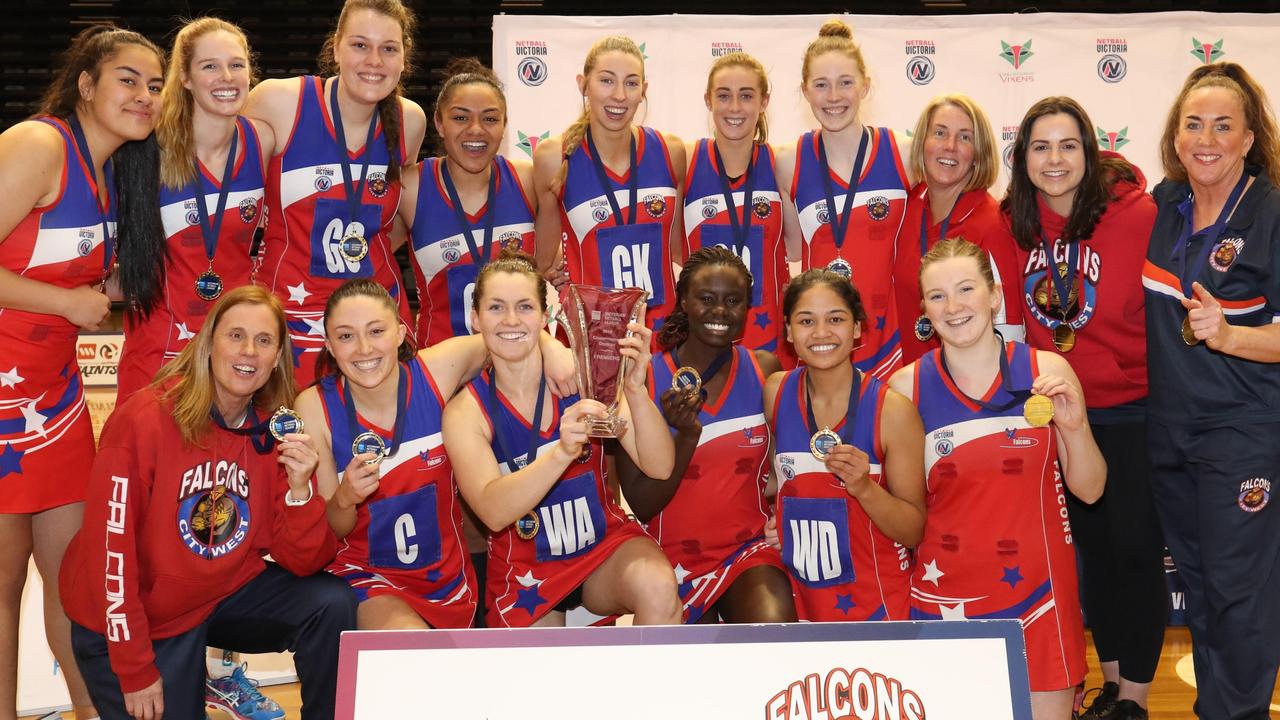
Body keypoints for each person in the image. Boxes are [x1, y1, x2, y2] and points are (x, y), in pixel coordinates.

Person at [59, 286, 353, 720]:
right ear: (208, 343)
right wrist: (136, 669)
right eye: (236, 335)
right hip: (129, 621)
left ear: (276, 361)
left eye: (264, 341)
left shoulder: (272, 432)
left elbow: (304, 561)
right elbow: (111, 559)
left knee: (332, 604)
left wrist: (298, 491)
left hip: (212, 595)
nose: (249, 351)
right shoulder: (144, 421)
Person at [0, 24, 166, 719]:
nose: (145, 96)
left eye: (156, 86)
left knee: (76, 583)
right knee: (3, 587)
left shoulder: (115, 174)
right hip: (5, 400)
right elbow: (64, 292)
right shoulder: (38, 145)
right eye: (129, 79)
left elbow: (99, 280)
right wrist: (67, 301)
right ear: (86, 84)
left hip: (57, 397)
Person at [888, 238, 1105, 720]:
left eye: (966, 288)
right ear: (923, 307)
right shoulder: (904, 390)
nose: (954, 306)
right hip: (944, 599)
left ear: (994, 295)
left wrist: (1075, 427)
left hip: (1039, 598)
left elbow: (1090, 489)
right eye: (937, 295)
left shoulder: (1047, 371)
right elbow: (894, 511)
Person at [998, 96, 1164, 720]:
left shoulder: (1136, 215)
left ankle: (1138, 699)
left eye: (1068, 145)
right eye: (1041, 147)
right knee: (1090, 555)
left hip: (1132, 408)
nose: (1055, 159)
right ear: (1024, 158)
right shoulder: (1015, 221)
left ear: (1089, 153)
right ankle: (1112, 685)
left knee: (1137, 551)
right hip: (1061, 413)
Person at [296, 278, 575, 629]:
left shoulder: (436, 369)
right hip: (371, 579)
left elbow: (505, 334)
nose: (364, 349)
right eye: (346, 336)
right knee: (406, 644)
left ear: (400, 333)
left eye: (376, 331)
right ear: (329, 346)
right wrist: (345, 498)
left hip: (450, 585)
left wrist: (551, 347)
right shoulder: (314, 408)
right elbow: (329, 531)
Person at [1143, 62, 1280, 720]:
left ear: (1248, 139)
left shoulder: (1271, 210)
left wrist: (1231, 336)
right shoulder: (1165, 209)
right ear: (1175, 137)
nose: (1207, 138)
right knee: (1201, 590)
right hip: (1171, 434)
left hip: (1241, 436)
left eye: (1223, 126)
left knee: (1239, 593)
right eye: (1194, 124)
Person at [443, 251, 681, 627]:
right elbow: (492, 510)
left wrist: (635, 390)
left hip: (600, 549)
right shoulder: (465, 412)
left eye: (524, 307)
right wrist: (561, 452)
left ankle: (646, 687)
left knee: (658, 585)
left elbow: (660, 465)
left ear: (543, 317)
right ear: (475, 319)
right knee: (544, 679)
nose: (510, 320)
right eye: (495, 308)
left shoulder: (584, 371)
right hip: (526, 571)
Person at [244, 0, 425, 387]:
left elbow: (391, 226)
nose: (374, 60)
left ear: (403, 58)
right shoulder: (280, 101)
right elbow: (234, 200)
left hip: (376, 319)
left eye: (389, 48)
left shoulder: (410, 120)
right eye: (360, 45)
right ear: (336, 47)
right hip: (289, 316)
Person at [617, 247, 796, 624]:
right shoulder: (643, 378)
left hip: (746, 552)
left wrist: (784, 512)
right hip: (668, 562)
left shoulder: (764, 369)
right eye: (706, 299)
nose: (720, 311)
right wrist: (685, 436)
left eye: (733, 301)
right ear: (683, 301)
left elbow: (786, 465)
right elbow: (642, 503)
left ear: (748, 308)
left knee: (773, 631)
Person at [116, 18, 274, 405]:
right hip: (159, 349)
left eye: (237, 65)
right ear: (184, 77)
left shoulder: (263, 141)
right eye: (210, 66)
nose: (227, 77)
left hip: (235, 354)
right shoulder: (145, 150)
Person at [763, 269, 925, 621]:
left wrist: (864, 488)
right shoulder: (776, 392)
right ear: (789, 331)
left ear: (856, 328)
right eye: (806, 320)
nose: (821, 333)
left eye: (835, 319)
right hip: (800, 602)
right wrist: (774, 517)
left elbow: (914, 530)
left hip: (875, 605)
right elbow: (776, 481)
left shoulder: (892, 411)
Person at [774, 20, 913, 379]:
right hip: (822, 344)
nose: (833, 97)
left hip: (893, 344)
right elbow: (793, 248)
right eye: (821, 85)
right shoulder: (789, 161)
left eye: (845, 83)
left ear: (865, 86)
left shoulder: (904, 153)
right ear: (805, 91)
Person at [532, 35, 686, 339]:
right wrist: (558, 271)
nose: (618, 95)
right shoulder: (555, 157)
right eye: (606, 80)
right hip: (588, 342)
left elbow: (678, 251)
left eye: (631, 83)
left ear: (644, 91)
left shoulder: (671, 151)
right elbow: (543, 264)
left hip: (660, 335)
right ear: (583, 84)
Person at [402, 57, 535, 349]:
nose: (476, 129)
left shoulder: (527, 181)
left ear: (504, 125)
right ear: (439, 122)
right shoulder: (412, 187)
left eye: (490, 118)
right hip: (441, 372)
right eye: (460, 117)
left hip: (518, 365)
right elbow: (373, 257)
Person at [893, 93, 1022, 364]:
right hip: (907, 382)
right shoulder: (906, 207)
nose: (950, 146)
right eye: (940, 133)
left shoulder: (992, 223)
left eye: (965, 137)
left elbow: (1008, 327)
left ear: (978, 154)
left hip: (969, 389)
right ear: (922, 143)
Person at [682, 52, 789, 360]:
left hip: (768, 339)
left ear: (764, 102)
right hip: (703, 336)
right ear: (708, 100)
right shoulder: (686, 160)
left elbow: (795, 246)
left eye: (746, 96)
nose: (735, 107)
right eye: (724, 96)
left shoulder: (782, 163)